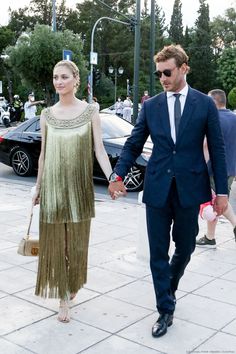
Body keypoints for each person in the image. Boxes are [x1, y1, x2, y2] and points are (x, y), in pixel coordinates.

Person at [108, 44, 228, 338]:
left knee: (186, 248)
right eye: (159, 72)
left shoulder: (204, 105)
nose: (162, 77)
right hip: (158, 186)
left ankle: (168, 289)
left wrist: (222, 191)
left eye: (167, 72)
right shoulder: (151, 106)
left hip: (190, 188)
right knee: (157, 253)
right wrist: (117, 174)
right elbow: (134, 144)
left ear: (183, 68)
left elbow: (218, 149)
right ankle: (165, 309)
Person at [32, 60, 112, 323]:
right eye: (55, 77)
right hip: (53, 188)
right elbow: (43, 154)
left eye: (64, 77)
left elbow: (99, 149)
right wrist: (38, 187)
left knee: (77, 243)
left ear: (76, 80)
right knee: (58, 243)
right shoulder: (47, 114)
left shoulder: (90, 112)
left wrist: (112, 177)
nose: (58, 82)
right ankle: (63, 297)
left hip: (79, 189)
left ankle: (74, 280)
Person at [196, 89, 236, 247]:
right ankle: (210, 237)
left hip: (214, 169)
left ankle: (234, 224)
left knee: (217, 201)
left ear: (212, 102)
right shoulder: (234, 118)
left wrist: (202, 168)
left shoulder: (212, 119)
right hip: (231, 168)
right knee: (214, 202)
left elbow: (206, 145)